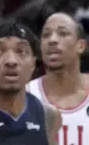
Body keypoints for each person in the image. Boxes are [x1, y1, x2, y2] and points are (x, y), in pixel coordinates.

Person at [28, 12, 89, 145]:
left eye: (62, 33)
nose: (52, 40)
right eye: (46, 35)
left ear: (81, 46)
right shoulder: (24, 96)